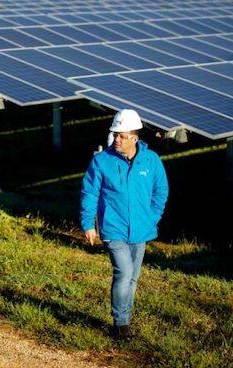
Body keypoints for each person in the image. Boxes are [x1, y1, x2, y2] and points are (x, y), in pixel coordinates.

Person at [80, 109, 169, 340]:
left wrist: (153, 217)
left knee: (133, 277)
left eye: (121, 135)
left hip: (140, 230)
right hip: (113, 229)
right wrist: (88, 224)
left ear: (134, 138)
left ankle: (125, 319)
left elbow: (161, 191)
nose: (116, 139)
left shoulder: (151, 161)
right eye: (115, 134)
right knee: (124, 272)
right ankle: (120, 323)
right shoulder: (101, 161)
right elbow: (89, 193)